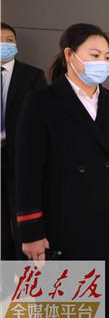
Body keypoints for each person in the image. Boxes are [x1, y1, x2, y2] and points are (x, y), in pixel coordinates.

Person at [15, 23, 109, 318]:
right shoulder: (42, 101)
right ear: (69, 55)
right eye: (94, 55)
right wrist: (31, 232)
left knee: (104, 302)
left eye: (107, 57)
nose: (102, 63)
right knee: (69, 308)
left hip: (105, 211)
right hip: (63, 215)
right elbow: (27, 170)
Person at [0, 22, 47, 260]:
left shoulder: (32, 76)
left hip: (20, 158)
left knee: (23, 222)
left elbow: (44, 120)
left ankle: (25, 273)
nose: (4, 44)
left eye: (9, 40)